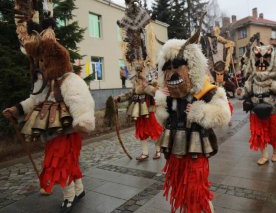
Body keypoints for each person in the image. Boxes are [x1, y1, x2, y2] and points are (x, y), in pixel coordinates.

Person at [3, 38, 95, 213]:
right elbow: (34, 100)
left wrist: (83, 121)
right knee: (69, 161)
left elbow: (79, 98)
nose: (41, 66)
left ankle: (69, 197)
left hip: (67, 131)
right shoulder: (46, 84)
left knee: (60, 162)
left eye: (44, 62)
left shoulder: (69, 79)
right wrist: (16, 110)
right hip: (53, 131)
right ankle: (79, 190)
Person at [155, 21, 231, 213]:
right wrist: (163, 106)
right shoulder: (168, 95)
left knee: (196, 190)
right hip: (174, 150)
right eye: (168, 67)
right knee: (181, 188)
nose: (172, 72)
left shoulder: (206, 91)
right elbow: (163, 119)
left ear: (192, 66)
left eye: (178, 66)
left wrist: (201, 112)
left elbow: (224, 115)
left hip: (196, 151)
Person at [237, 42, 276, 165]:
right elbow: (246, 90)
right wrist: (241, 92)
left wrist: (272, 84)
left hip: (273, 110)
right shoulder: (252, 77)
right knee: (259, 134)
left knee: (274, 133)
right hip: (256, 110)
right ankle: (264, 155)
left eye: (265, 58)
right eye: (258, 58)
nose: (261, 61)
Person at [114, 65, 162, 160]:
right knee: (141, 132)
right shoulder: (135, 86)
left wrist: (146, 86)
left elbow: (156, 93)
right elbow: (129, 94)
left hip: (149, 111)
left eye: (140, 73)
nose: (138, 75)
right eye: (137, 74)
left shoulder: (152, 83)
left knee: (154, 131)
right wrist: (119, 98)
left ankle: (158, 151)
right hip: (138, 112)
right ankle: (145, 153)